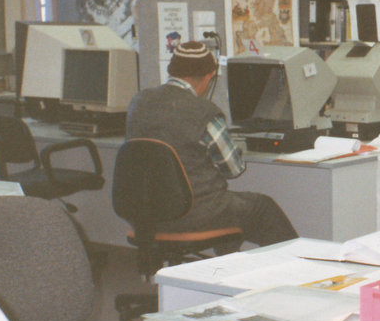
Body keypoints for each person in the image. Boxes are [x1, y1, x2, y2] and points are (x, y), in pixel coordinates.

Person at [125, 41, 297, 247]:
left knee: (226, 206)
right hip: (192, 215)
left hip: (145, 214)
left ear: (171, 71)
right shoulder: (204, 111)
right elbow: (234, 168)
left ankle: (224, 271)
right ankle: (295, 269)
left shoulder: (139, 102)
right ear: (208, 77)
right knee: (261, 207)